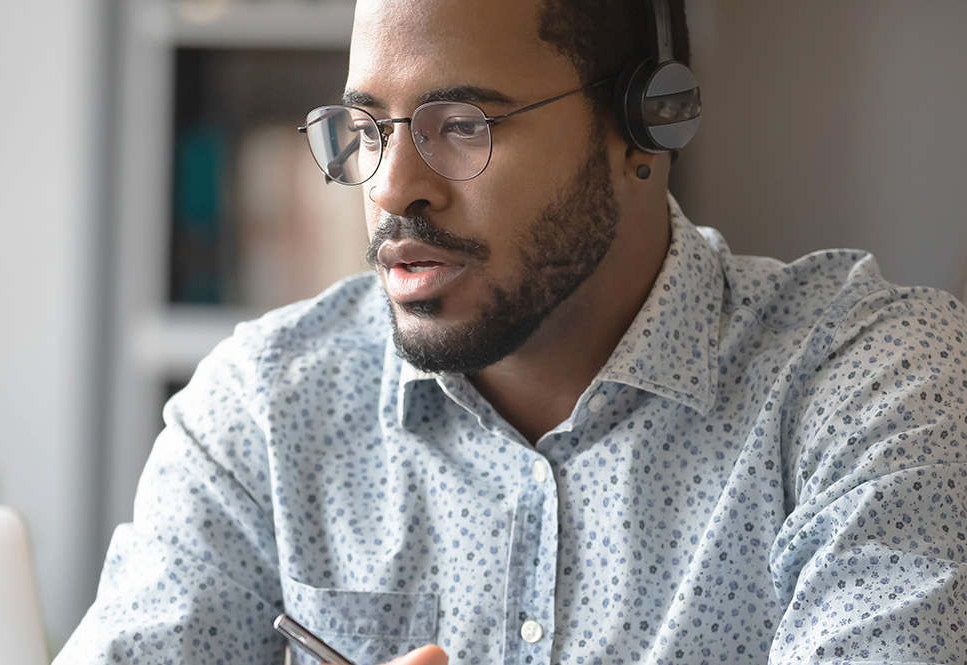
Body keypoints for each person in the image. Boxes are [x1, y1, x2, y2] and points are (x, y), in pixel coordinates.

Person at [56, 0, 967, 663]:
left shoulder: (876, 384)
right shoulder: (264, 407)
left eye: (463, 124)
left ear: (647, 122)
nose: (390, 186)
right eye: (367, 126)